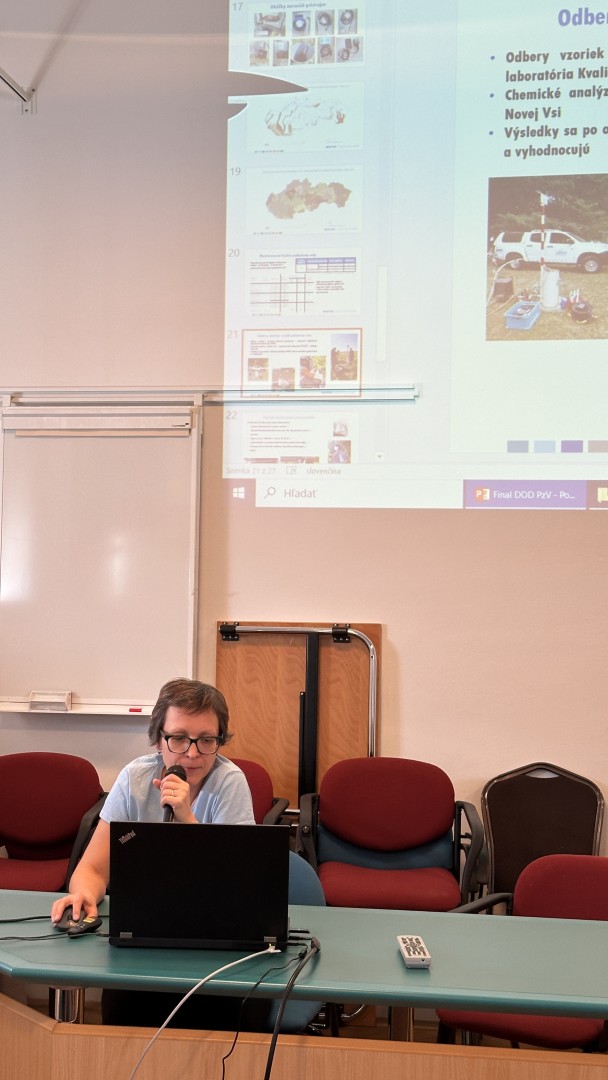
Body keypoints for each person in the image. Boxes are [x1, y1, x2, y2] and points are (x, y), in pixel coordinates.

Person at [50, 678, 267, 1030]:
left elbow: (236, 887)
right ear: (157, 739)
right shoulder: (135, 779)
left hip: (217, 943)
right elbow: (92, 869)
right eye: (178, 738)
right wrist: (84, 895)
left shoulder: (230, 782)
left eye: (206, 740)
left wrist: (186, 818)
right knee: (124, 1012)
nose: (192, 753)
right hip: (143, 936)